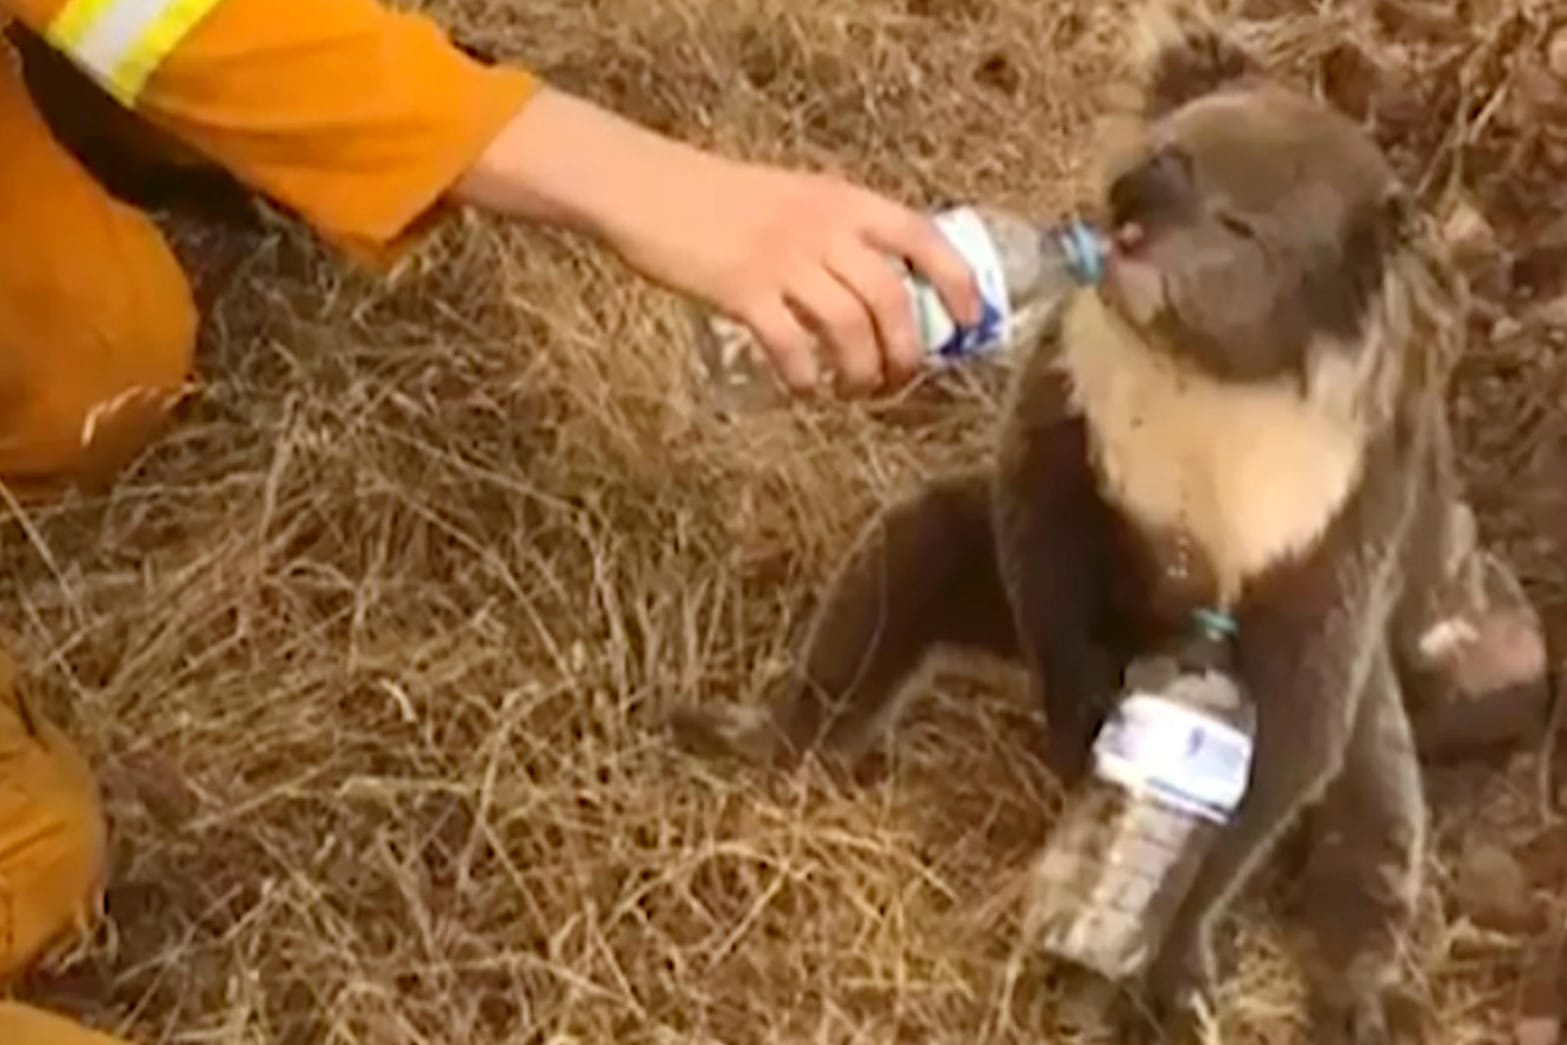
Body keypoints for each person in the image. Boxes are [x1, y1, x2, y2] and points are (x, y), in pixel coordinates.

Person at [0, 1, 1551, 1042]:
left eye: (1208, 224)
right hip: (1108, 621)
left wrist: (571, 158)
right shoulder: (1101, 331)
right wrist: (1083, 698)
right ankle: (804, 721)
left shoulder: (1334, 426)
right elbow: (1028, 515)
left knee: (1337, 739)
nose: (1141, 226)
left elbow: (1301, 693)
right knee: (956, 538)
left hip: (1269, 636)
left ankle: (1352, 938)